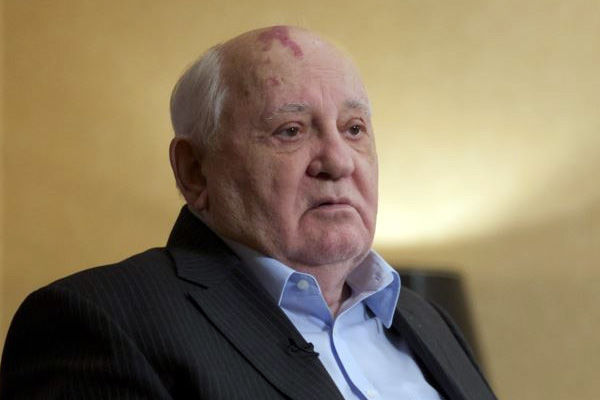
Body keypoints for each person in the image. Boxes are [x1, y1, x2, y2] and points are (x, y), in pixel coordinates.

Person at [0, 26, 497, 399]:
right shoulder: (98, 320)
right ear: (195, 171)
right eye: (290, 131)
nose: (338, 161)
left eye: (353, 129)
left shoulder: (426, 320)